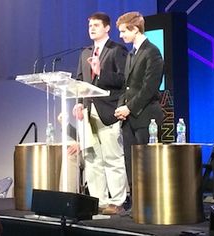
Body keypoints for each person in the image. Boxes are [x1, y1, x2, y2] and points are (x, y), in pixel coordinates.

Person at [72, 12, 128, 215]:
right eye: (90, 26)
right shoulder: (85, 52)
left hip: (108, 110)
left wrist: (101, 70)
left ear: (107, 28)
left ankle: (117, 201)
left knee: (112, 157)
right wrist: (79, 103)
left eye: (96, 25)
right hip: (88, 111)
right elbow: (79, 81)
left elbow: (123, 80)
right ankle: (99, 200)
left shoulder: (117, 50)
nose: (92, 29)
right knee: (92, 158)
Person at [115, 11, 164, 197]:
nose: (120, 36)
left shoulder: (152, 52)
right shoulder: (130, 54)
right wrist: (121, 107)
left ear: (135, 29)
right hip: (129, 118)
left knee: (146, 163)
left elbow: (149, 88)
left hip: (145, 116)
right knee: (131, 162)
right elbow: (126, 86)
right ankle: (136, 201)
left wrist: (129, 107)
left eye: (123, 31)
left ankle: (150, 201)